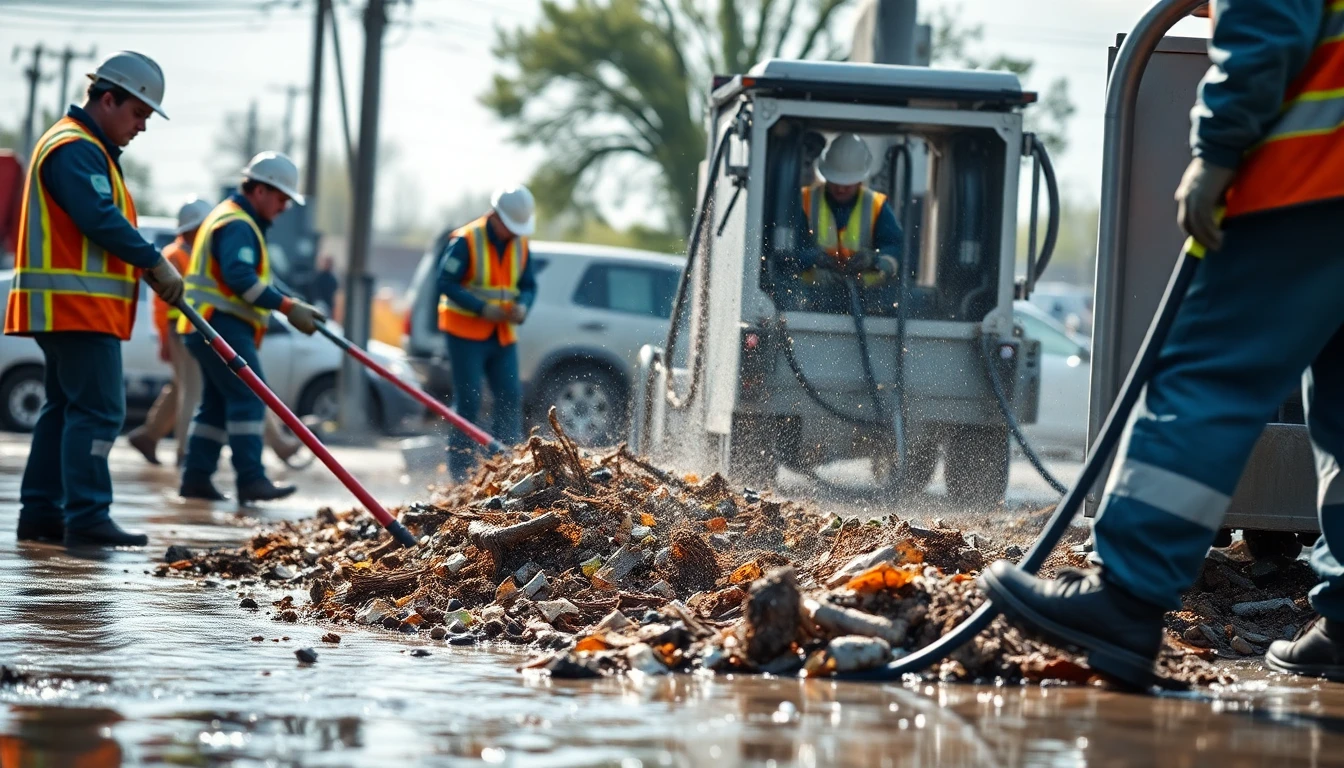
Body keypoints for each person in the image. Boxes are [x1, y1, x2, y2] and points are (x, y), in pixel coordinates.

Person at [980, 0, 1344, 686]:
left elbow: (1268, 16)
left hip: (1315, 173)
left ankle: (1128, 593)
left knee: (1208, 376)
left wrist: (1220, 148)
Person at [2, 51, 184, 548]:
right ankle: (86, 514)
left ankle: (42, 513)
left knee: (62, 409)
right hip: (76, 307)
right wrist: (153, 260)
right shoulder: (76, 146)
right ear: (108, 99)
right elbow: (99, 219)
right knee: (100, 410)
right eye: (139, 113)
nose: (141, 127)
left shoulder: (82, 147)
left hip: (70, 307)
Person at [177, 151, 325, 503]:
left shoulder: (239, 221)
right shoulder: (238, 224)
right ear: (259, 191)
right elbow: (241, 280)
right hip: (220, 323)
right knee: (248, 398)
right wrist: (288, 307)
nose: (285, 207)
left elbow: (257, 279)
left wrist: (291, 302)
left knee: (215, 404)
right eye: (281, 198)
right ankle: (251, 479)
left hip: (208, 324)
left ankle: (196, 477)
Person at [436, 185, 538, 481]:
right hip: (465, 333)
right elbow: (445, 282)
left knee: (510, 396)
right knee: (469, 399)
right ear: (495, 216)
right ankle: (461, 475)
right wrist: (481, 308)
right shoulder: (467, 240)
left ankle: (508, 471)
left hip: (502, 334)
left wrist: (523, 305)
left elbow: (529, 285)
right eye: (510, 226)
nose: (514, 232)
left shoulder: (520, 244)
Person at [126, 196, 210, 467]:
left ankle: (148, 436)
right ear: (191, 228)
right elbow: (161, 305)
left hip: (186, 330)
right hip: (180, 331)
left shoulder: (189, 254)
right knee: (190, 391)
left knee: (181, 387)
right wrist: (163, 337)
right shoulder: (176, 256)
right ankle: (184, 452)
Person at [780, 133, 902, 312]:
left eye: (848, 183)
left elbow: (897, 250)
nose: (840, 188)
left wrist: (874, 260)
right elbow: (787, 252)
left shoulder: (877, 206)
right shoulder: (805, 201)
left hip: (866, 305)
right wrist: (814, 258)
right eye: (835, 180)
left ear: (860, 178)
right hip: (809, 304)